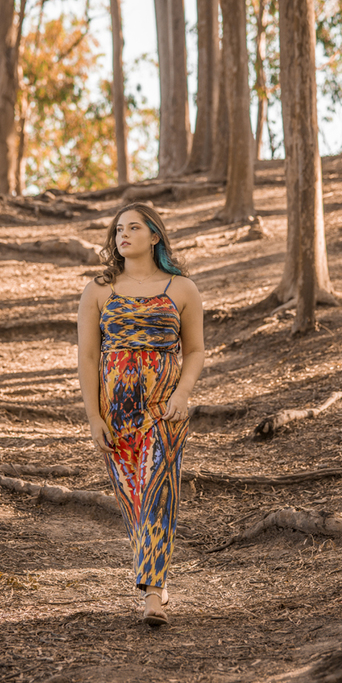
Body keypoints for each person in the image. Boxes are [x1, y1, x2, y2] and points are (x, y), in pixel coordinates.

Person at [77, 202, 204, 627]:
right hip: (117, 412)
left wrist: (183, 394)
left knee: (158, 495)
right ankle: (158, 575)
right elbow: (89, 356)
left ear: (155, 236)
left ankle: (151, 594)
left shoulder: (181, 288)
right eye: (118, 230)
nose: (123, 236)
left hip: (164, 409)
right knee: (133, 501)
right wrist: (94, 416)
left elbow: (196, 350)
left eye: (133, 228)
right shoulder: (99, 290)